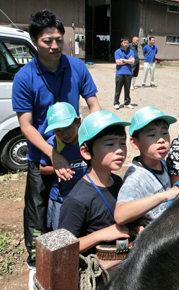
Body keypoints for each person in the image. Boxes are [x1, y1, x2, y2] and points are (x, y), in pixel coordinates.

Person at [11, 10, 101, 287]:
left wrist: (96, 139)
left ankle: (76, 253)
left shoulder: (77, 67)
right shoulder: (24, 77)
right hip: (43, 154)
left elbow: (94, 105)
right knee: (38, 208)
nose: (54, 46)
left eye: (59, 39)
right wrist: (53, 154)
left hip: (76, 154)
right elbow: (26, 126)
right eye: (47, 40)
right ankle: (35, 261)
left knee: (77, 204)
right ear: (34, 41)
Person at [114, 106, 179, 234]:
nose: (161, 139)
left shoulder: (162, 163)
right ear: (134, 143)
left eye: (164, 133)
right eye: (151, 134)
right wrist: (164, 196)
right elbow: (120, 215)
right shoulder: (136, 177)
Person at [58, 110, 130, 254]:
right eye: (110, 144)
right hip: (96, 270)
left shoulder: (118, 182)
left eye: (122, 143)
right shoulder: (77, 200)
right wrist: (99, 235)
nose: (119, 150)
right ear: (86, 152)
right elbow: (63, 247)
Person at [39, 102, 85, 231]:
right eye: (58, 130)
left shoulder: (86, 140)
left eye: (68, 127)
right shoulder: (53, 143)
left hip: (84, 195)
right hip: (61, 198)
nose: (64, 134)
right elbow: (42, 168)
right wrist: (57, 168)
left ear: (77, 122)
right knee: (61, 232)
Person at [114, 37, 135, 110]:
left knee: (127, 89)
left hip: (128, 73)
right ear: (121, 43)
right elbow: (118, 62)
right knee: (118, 89)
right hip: (119, 73)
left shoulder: (131, 51)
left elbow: (132, 61)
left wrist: (123, 60)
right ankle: (116, 103)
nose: (126, 44)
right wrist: (127, 61)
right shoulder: (117, 52)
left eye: (127, 43)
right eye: (124, 43)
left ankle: (127, 103)